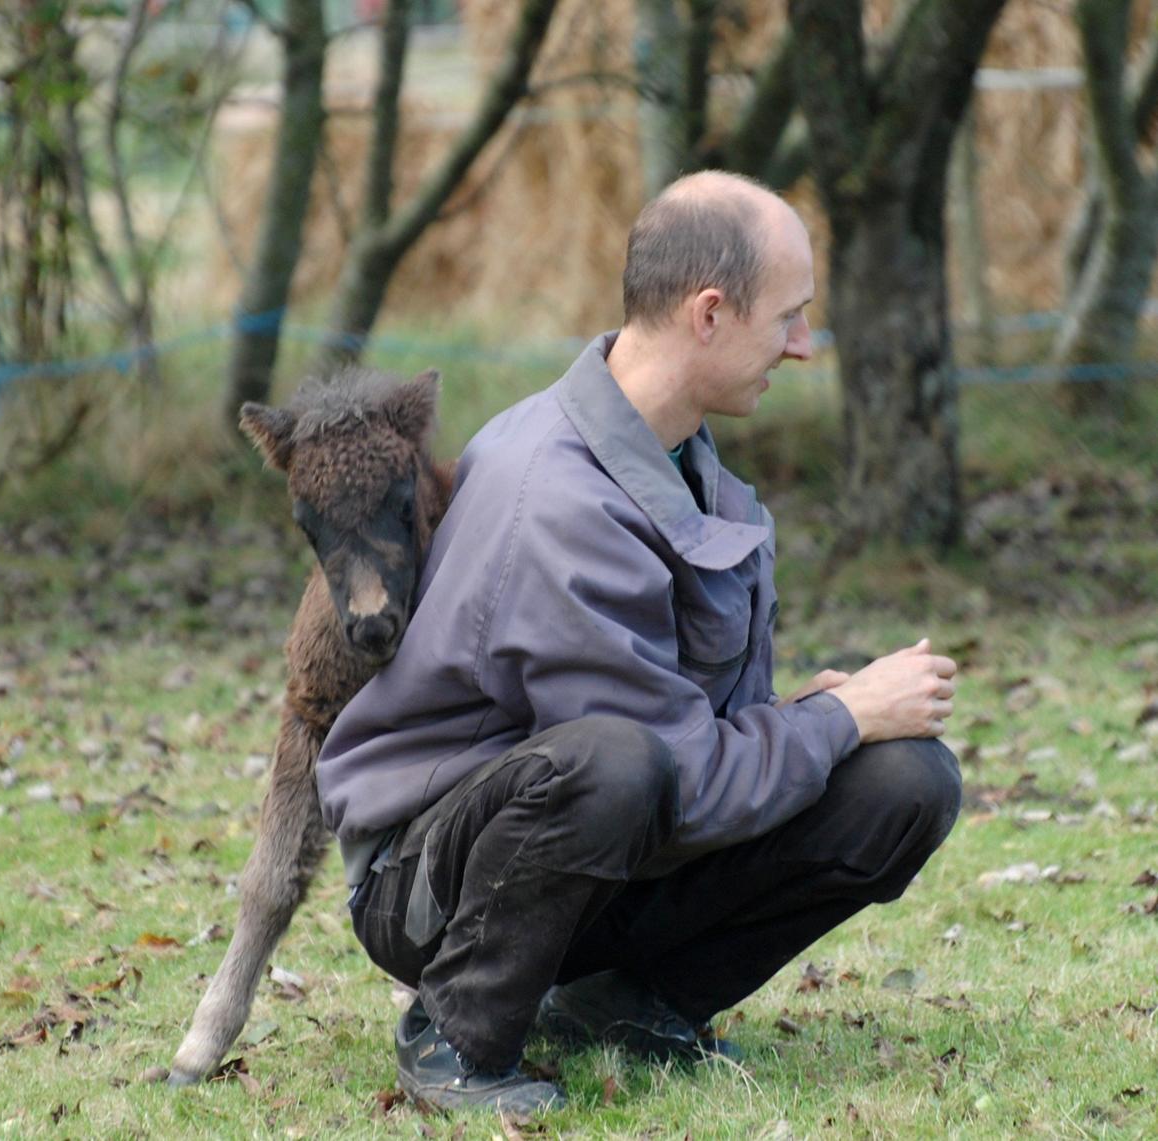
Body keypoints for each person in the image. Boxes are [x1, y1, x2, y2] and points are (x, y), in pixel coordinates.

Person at [317, 170, 962, 1115]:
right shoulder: (560, 496)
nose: (805, 344)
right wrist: (833, 718)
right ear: (709, 314)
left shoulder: (678, 455)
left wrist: (813, 719)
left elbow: (691, 741)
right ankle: (456, 1031)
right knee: (615, 762)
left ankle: (625, 1004)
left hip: (593, 832)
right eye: (789, 316)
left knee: (908, 782)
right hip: (434, 879)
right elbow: (668, 772)